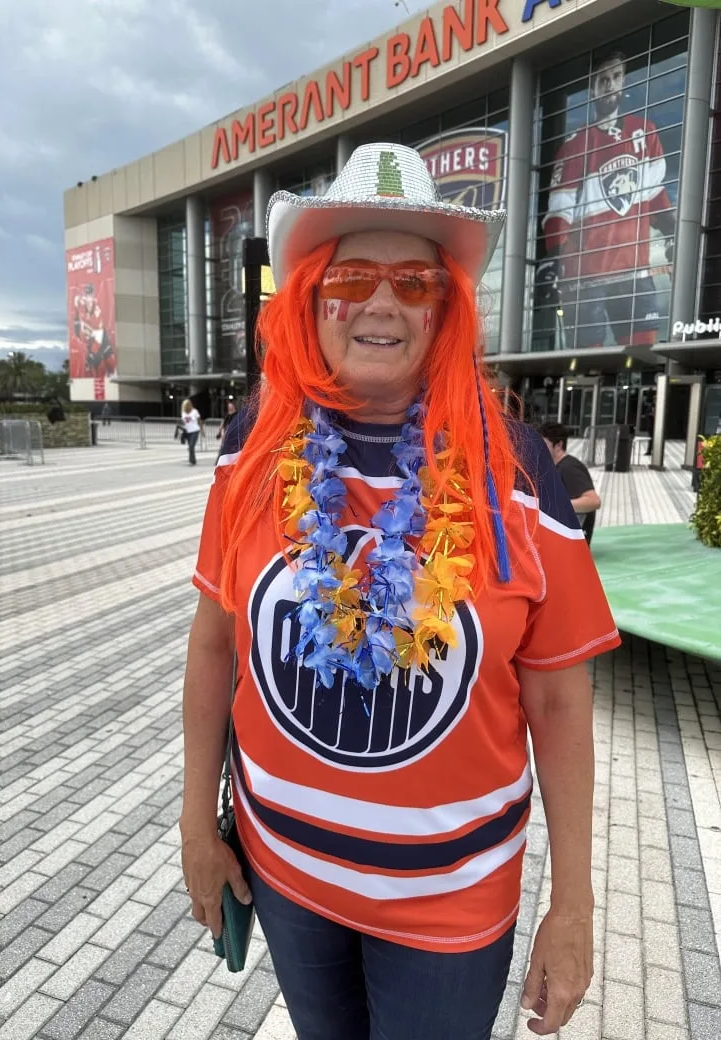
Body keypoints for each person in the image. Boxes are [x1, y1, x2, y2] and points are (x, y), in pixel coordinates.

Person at [181, 143, 621, 1040]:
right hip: (287, 873)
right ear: (311, 297)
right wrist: (197, 821)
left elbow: (560, 700)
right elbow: (215, 643)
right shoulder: (252, 448)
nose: (381, 302)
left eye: (415, 283)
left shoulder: (521, 473)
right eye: (351, 277)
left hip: (450, 910)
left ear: (445, 311)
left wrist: (572, 905)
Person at [537, 51, 676, 352]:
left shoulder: (644, 132)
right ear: (592, 87)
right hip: (586, 280)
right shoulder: (573, 146)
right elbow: (559, 214)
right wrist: (552, 263)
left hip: (635, 271)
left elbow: (654, 195)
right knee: (589, 365)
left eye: (615, 77)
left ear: (623, 81)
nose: (609, 85)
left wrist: (672, 233)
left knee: (644, 357)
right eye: (602, 80)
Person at [540, 423, 602, 545]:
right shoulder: (555, 467)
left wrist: (554, 506)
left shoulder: (569, 467)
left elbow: (594, 501)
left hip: (570, 542)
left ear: (558, 445)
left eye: (542, 445)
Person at [180, 399, 201, 466]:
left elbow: (199, 421)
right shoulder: (183, 412)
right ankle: (193, 460)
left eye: (187, 405)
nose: (186, 406)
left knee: (191, 446)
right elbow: (184, 422)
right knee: (190, 447)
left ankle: (191, 461)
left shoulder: (195, 411)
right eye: (184, 405)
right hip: (187, 431)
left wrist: (202, 431)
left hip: (195, 430)